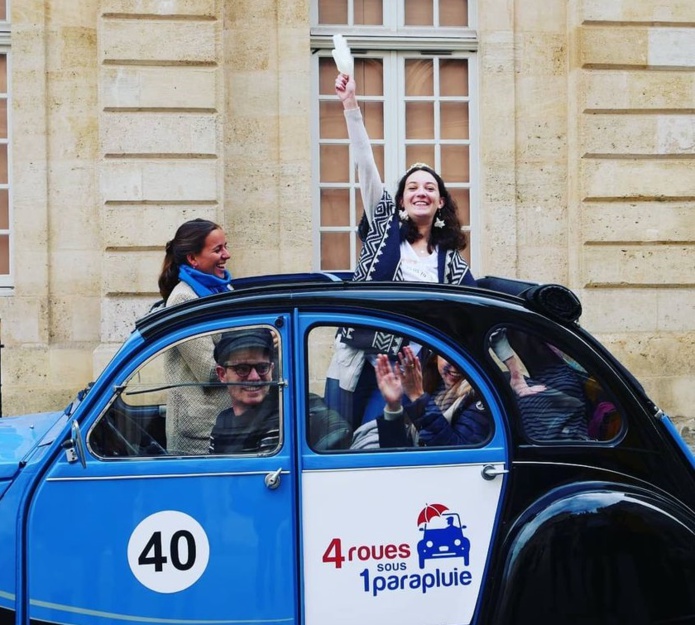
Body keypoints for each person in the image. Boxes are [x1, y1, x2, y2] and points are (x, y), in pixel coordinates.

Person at [326, 73, 542, 430]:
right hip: (353, 358)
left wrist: (516, 374)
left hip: (401, 368)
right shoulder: (384, 227)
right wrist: (350, 105)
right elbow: (365, 163)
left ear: (441, 202)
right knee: (334, 437)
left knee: (377, 435)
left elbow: (484, 319)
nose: (420, 192)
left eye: (429, 187)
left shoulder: (451, 263)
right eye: (412, 187)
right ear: (400, 200)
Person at [158, 218, 233, 454]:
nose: (227, 255)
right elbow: (210, 372)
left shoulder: (223, 289)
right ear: (192, 258)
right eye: (217, 249)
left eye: (225, 246)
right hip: (198, 433)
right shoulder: (183, 299)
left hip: (227, 425)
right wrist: (253, 350)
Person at [351, 346, 491, 449]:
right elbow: (398, 454)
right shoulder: (434, 386)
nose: (455, 367)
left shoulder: (479, 399)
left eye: (463, 359)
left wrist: (418, 397)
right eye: (448, 356)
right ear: (436, 357)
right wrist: (393, 407)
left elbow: (457, 457)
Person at [209, 329, 280, 454]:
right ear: (222, 374)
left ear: (271, 370)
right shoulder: (222, 423)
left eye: (262, 368)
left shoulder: (280, 424)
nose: (254, 377)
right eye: (242, 369)